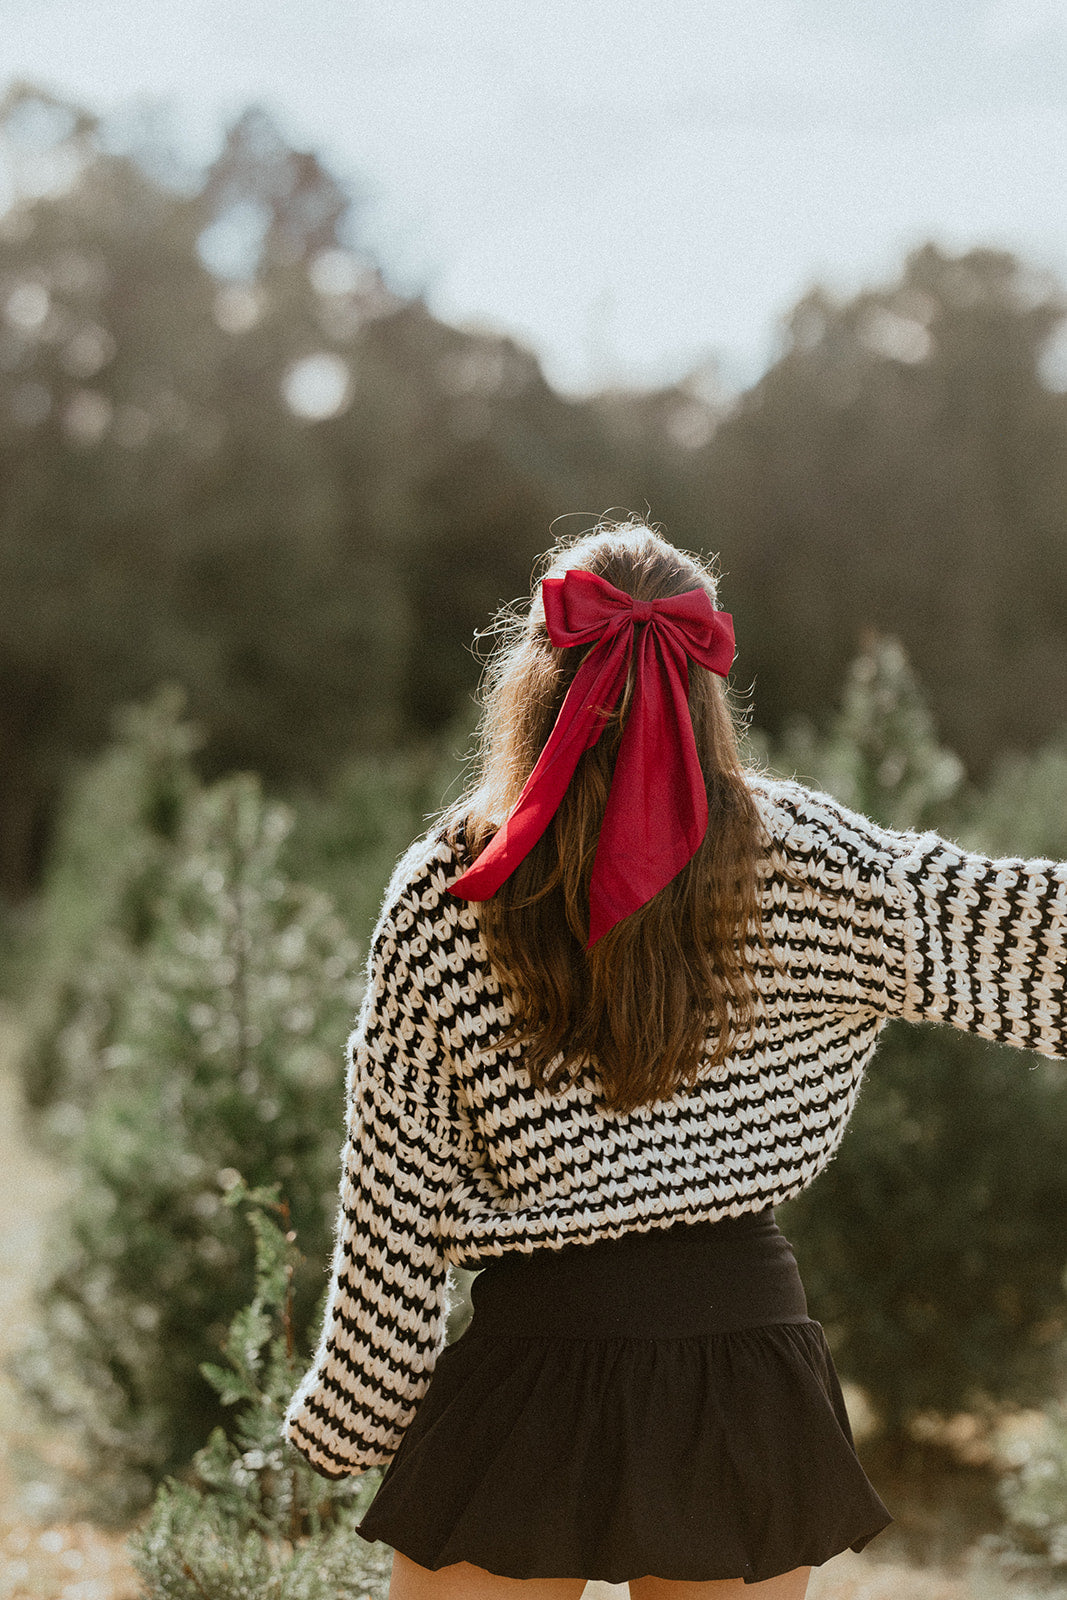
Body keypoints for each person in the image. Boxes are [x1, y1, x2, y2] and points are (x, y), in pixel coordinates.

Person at [285, 520, 1067, 1600]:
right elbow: (1035, 940)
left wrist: (357, 1408)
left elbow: (393, 1182)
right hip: (741, 1366)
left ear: (534, 682)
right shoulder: (812, 860)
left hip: (532, 1358)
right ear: (704, 688)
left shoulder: (452, 885)